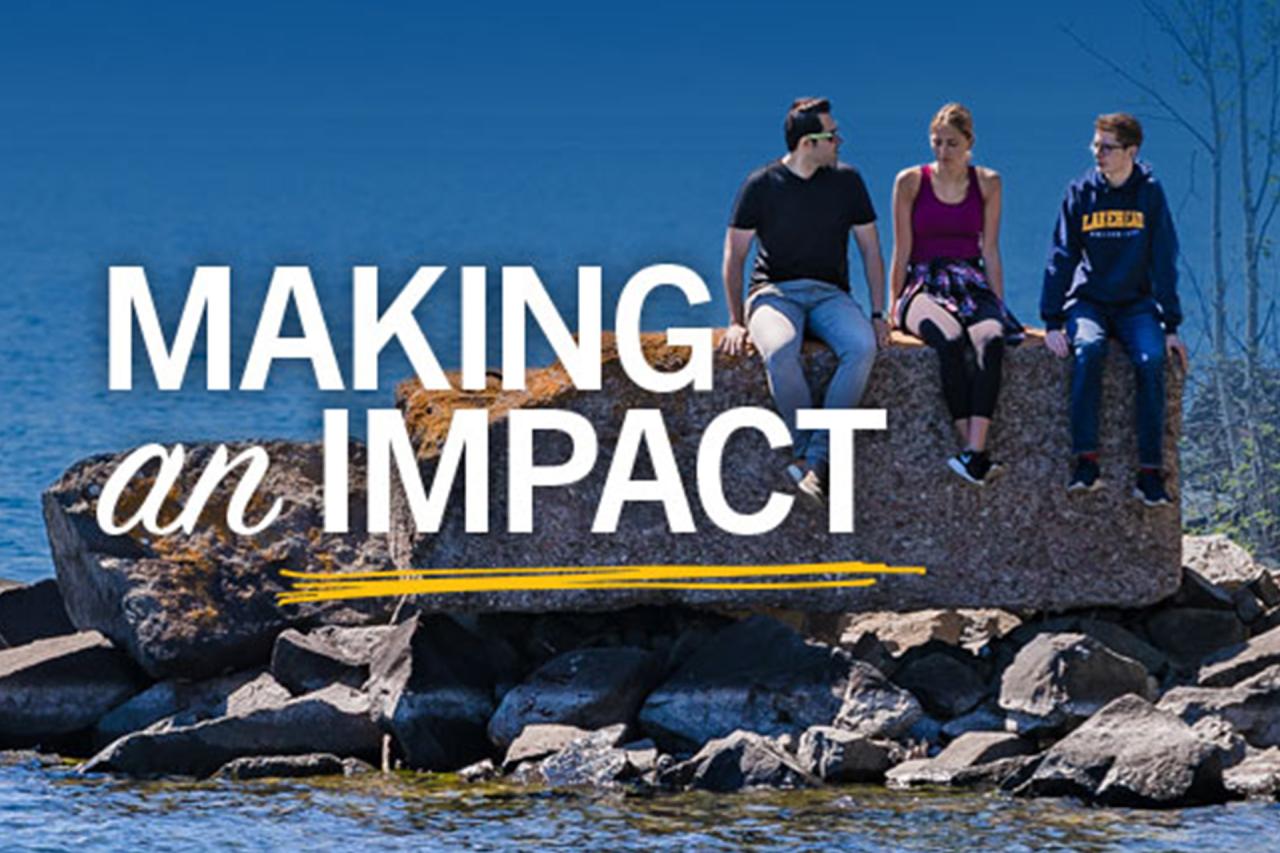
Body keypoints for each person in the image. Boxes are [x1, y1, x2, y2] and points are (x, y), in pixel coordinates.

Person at [719, 97, 888, 501]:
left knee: (861, 346)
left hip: (831, 296)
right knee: (779, 351)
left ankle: (815, 457)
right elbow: (735, 255)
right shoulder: (761, 184)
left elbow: (871, 251)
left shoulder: (848, 181)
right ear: (808, 143)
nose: (839, 142)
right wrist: (735, 319)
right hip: (774, 294)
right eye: (832, 136)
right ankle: (806, 451)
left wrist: (879, 313)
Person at [1041, 112, 1189, 506]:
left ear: (1131, 151)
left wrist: (1170, 324)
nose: (1098, 154)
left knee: (1151, 358)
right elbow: (1061, 256)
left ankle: (1150, 473)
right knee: (1088, 350)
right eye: (1095, 145)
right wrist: (1052, 320)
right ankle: (1086, 462)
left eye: (1107, 147)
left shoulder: (1149, 193)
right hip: (1088, 301)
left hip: (1136, 304)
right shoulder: (1080, 192)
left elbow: (1163, 259)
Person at [889, 103, 1018, 485]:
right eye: (937, 143)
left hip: (969, 281)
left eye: (952, 144)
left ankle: (976, 451)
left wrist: (999, 303)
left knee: (991, 340)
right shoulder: (910, 182)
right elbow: (902, 247)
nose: (943, 152)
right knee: (948, 339)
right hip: (924, 283)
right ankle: (969, 447)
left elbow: (991, 250)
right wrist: (891, 306)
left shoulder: (988, 183)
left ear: (969, 144)